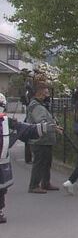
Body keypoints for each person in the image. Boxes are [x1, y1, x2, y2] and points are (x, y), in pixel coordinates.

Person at [0, 93, 52, 223]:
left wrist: (46, 127)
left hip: (1, 163)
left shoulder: (6, 121)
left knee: (1, 190)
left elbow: (25, 130)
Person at [27, 76, 60, 194]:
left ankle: (45, 183)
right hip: (39, 140)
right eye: (46, 92)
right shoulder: (36, 106)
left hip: (45, 139)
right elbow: (41, 121)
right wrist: (53, 127)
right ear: (40, 93)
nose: (47, 95)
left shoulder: (41, 105)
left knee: (46, 162)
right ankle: (34, 185)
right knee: (39, 162)